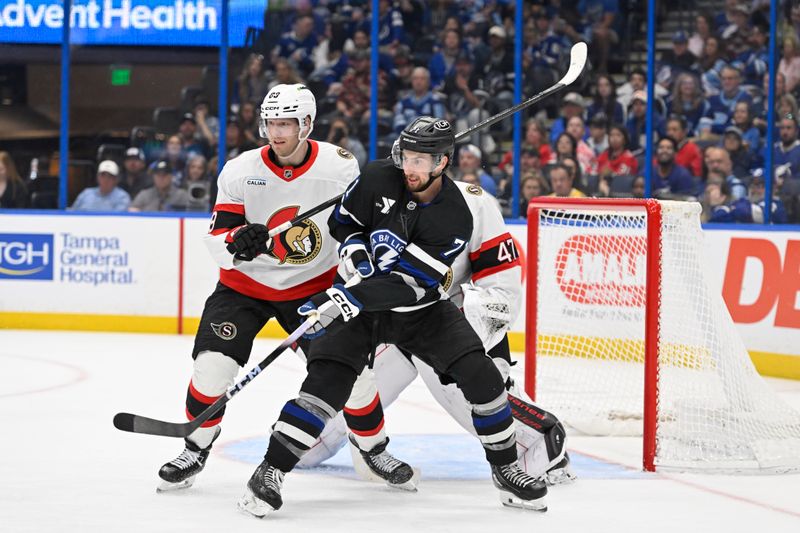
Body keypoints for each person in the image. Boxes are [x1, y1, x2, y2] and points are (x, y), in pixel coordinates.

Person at [238, 117, 548, 517]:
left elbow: (408, 285)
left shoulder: (455, 215)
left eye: (421, 161)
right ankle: (269, 472)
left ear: (442, 163)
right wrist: (354, 251)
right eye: (406, 157)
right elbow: (343, 223)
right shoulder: (377, 176)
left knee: (483, 378)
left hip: (419, 311)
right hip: (360, 308)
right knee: (325, 387)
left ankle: (505, 470)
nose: (409, 169)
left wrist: (349, 297)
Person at [294, 174, 573, 489]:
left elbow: (502, 295)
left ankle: (539, 443)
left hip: (442, 329)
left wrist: (464, 331)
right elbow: (351, 264)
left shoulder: (475, 204)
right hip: (390, 327)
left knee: (535, 440)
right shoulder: (378, 194)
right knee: (306, 447)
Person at [155, 84, 361, 493]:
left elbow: (357, 227)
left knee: (357, 377)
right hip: (244, 287)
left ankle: (374, 449)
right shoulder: (240, 170)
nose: (276, 133)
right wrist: (238, 241)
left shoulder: (339, 168)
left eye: (285, 123)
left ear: (307, 124)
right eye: (270, 123)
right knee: (212, 369)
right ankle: (195, 448)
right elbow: (218, 238)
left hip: (313, 287)